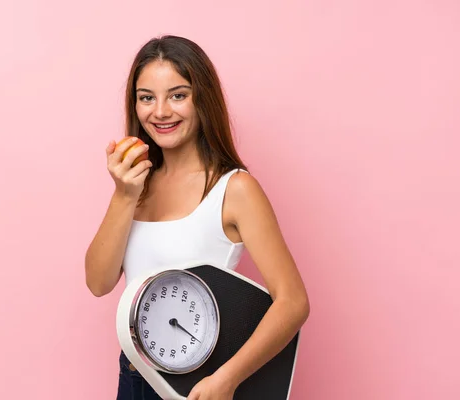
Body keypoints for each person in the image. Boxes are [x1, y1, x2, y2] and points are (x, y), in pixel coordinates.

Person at [84, 35, 310, 400]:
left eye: (177, 95)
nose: (160, 112)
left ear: (202, 98)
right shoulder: (136, 184)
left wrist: (228, 379)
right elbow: (98, 282)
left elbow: (293, 301)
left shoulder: (234, 188)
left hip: (198, 384)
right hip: (133, 376)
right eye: (146, 97)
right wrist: (123, 195)